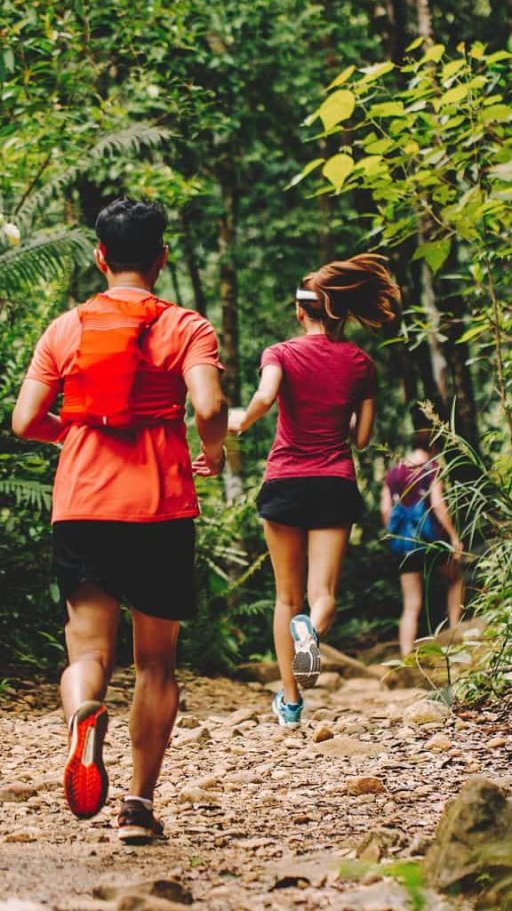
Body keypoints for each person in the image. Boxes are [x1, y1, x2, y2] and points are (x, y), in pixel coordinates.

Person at [12, 198, 228, 842]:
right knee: (156, 663)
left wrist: (74, 435)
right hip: (159, 508)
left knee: (88, 649)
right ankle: (137, 806)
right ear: (162, 257)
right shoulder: (186, 326)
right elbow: (210, 405)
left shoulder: (66, 328)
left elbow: (25, 421)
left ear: (101, 257)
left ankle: (83, 707)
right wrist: (209, 449)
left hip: (81, 505)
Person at [228, 254, 400, 728]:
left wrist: (243, 420)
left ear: (302, 311)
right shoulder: (361, 363)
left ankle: (290, 702)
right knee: (321, 594)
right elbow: (361, 438)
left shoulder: (280, 353)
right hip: (333, 481)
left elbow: (265, 396)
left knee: (287, 599)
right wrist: (340, 413)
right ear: (342, 312)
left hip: (285, 480)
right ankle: (313, 633)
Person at [380, 427, 464, 656]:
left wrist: (398, 534)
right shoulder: (432, 469)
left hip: (405, 545)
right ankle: (455, 632)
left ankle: (407, 654)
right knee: (455, 579)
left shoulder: (394, 473)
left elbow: (386, 509)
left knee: (411, 602)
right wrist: (454, 536)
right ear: (433, 446)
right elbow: (438, 506)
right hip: (431, 540)